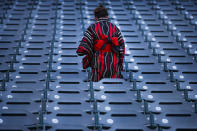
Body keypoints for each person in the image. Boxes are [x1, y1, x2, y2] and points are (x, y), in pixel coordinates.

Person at [76, 5, 125, 82]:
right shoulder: (114, 28)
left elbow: (82, 49)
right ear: (107, 16)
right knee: (114, 86)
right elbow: (122, 47)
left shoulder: (92, 27)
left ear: (95, 18)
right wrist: (120, 61)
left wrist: (88, 52)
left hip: (98, 61)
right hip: (114, 61)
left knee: (97, 87)